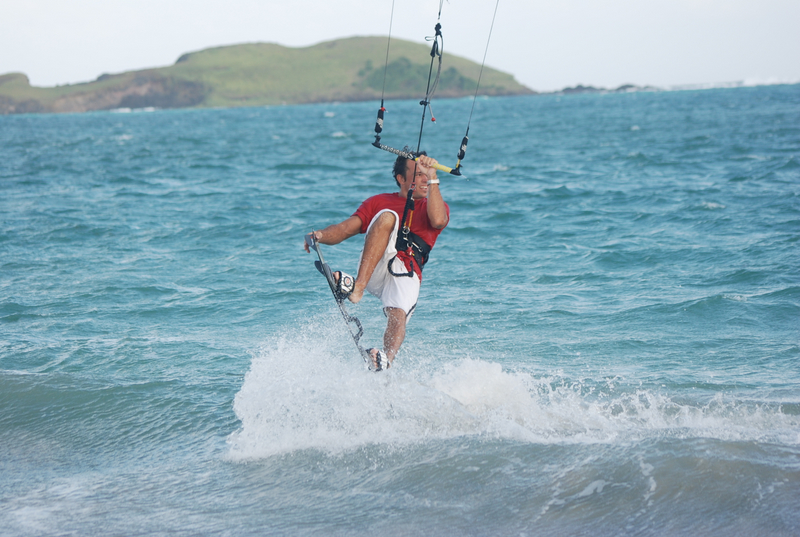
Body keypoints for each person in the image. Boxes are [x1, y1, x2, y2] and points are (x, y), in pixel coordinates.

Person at [304, 152, 449, 371]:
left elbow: (438, 220)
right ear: (401, 179)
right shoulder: (379, 201)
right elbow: (344, 230)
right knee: (387, 216)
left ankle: (385, 360)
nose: (424, 179)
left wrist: (434, 177)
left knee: (397, 315)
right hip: (375, 266)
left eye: (426, 175)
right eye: (418, 174)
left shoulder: (434, 205)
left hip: (407, 270)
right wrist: (320, 236)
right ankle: (357, 288)